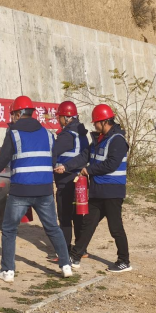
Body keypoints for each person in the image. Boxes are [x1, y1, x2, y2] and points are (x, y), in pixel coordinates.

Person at [0, 95, 72, 282]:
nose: (12, 119)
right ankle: (66, 265)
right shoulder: (48, 134)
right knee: (52, 227)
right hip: (45, 189)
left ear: (18, 114)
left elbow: (3, 159)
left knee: (9, 229)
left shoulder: (14, 133)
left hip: (21, 191)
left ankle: (7, 271)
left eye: (12, 115)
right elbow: (52, 159)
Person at [54, 104, 132, 273]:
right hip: (98, 190)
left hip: (112, 191)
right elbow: (84, 156)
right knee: (88, 224)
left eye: (96, 122)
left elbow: (112, 164)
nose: (94, 125)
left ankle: (124, 260)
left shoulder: (117, 140)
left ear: (104, 122)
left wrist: (89, 170)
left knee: (115, 227)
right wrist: (66, 167)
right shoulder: (98, 139)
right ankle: (75, 256)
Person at [52, 101, 89, 256]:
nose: (58, 119)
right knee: (78, 214)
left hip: (66, 181)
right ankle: (81, 249)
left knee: (65, 216)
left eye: (59, 116)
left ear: (66, 117)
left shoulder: (67, 135)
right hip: (79, 180)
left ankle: (65, 250)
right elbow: (83, 156)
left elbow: (52, 153)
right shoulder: (81, 134)